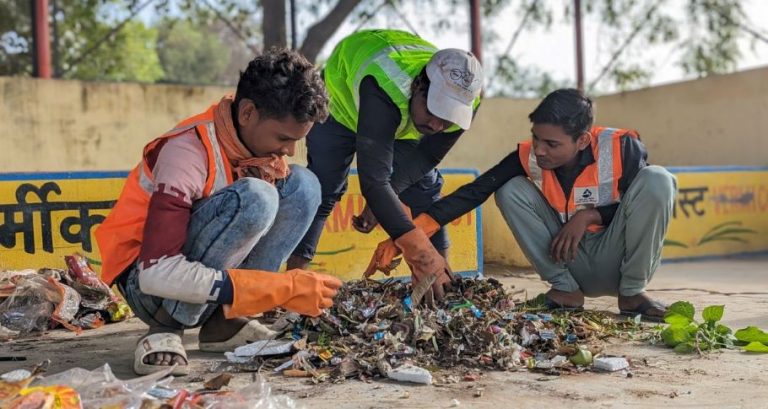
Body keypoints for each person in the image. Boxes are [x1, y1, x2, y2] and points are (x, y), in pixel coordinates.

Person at [95, 48, 342, 376]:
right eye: (283, 137)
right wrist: (280, 289)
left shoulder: (256, 149)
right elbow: (156, 274)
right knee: (258, 197)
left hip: (192, 279)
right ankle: (167, 329)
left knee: (305, 185)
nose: (288, 150)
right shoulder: (186, 151)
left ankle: (225, 323)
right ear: (248, 113)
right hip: (148, 287)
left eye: (296, 141)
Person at [367, 88, 677, 321]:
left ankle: (633, 295)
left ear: (582, 140)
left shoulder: (623, 147)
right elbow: (474, 192)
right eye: (537, 138)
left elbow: (643, 203)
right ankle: (565, 291)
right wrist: (406, 238)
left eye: (552, 144)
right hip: (569, 260)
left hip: (618, 260)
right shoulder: (528, 155)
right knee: (508, 188)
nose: (539, 151)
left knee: (658, 180)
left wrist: (589, 216)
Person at [287, 29, 483, 300]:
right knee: (324, 188)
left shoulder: (468, 99)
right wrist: (419, 251)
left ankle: (444, 285)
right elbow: (373, 182)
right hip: (340, 104)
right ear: (417, 86)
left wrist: (385, 197)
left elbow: (425, 158)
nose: (437, 126)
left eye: (448, 118)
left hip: (397, 112)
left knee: (423, 186)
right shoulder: (387, 84)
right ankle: (292, 284)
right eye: (434, 110)